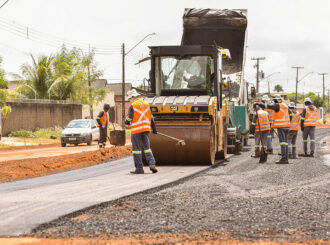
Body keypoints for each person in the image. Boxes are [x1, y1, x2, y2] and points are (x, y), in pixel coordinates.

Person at [125, 89, 158, 174]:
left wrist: (127, 121)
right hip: (146, 130)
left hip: (136, 131)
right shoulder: (146, 104)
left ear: (132, 97)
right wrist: (154, 129)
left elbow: (130, 118)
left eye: (129, 99)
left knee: (137, 150)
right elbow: (151, 118)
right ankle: (152, 164)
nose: (129, 100)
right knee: (147, 148)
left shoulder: (132, 106)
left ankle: (139, 169)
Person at [264, 94, 292, 164]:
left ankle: (283, 158)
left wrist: (259, 104)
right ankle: (286, 157)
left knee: (282, 142)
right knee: (285, 142)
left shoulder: (277, 105)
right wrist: (289, 121)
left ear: (276, 100)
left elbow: (269, 106)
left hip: (281, 127)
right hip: (287, 126)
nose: (274, 102)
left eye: (274, 100)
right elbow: (290, 113)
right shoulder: (285, 105)